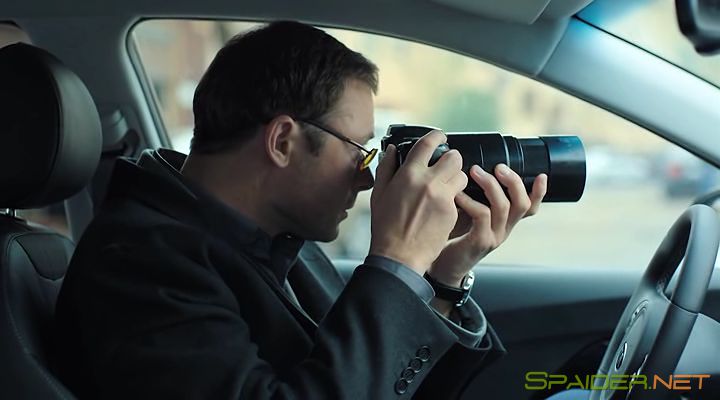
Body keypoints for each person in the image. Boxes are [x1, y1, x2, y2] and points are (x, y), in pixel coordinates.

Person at [54, 20, 549, 399]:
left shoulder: (281, 241)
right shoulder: (139, 264)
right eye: (358, 150)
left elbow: (371, 381)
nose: (367, 177)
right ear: (283, 141)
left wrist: (441, 277)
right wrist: (397, 260)